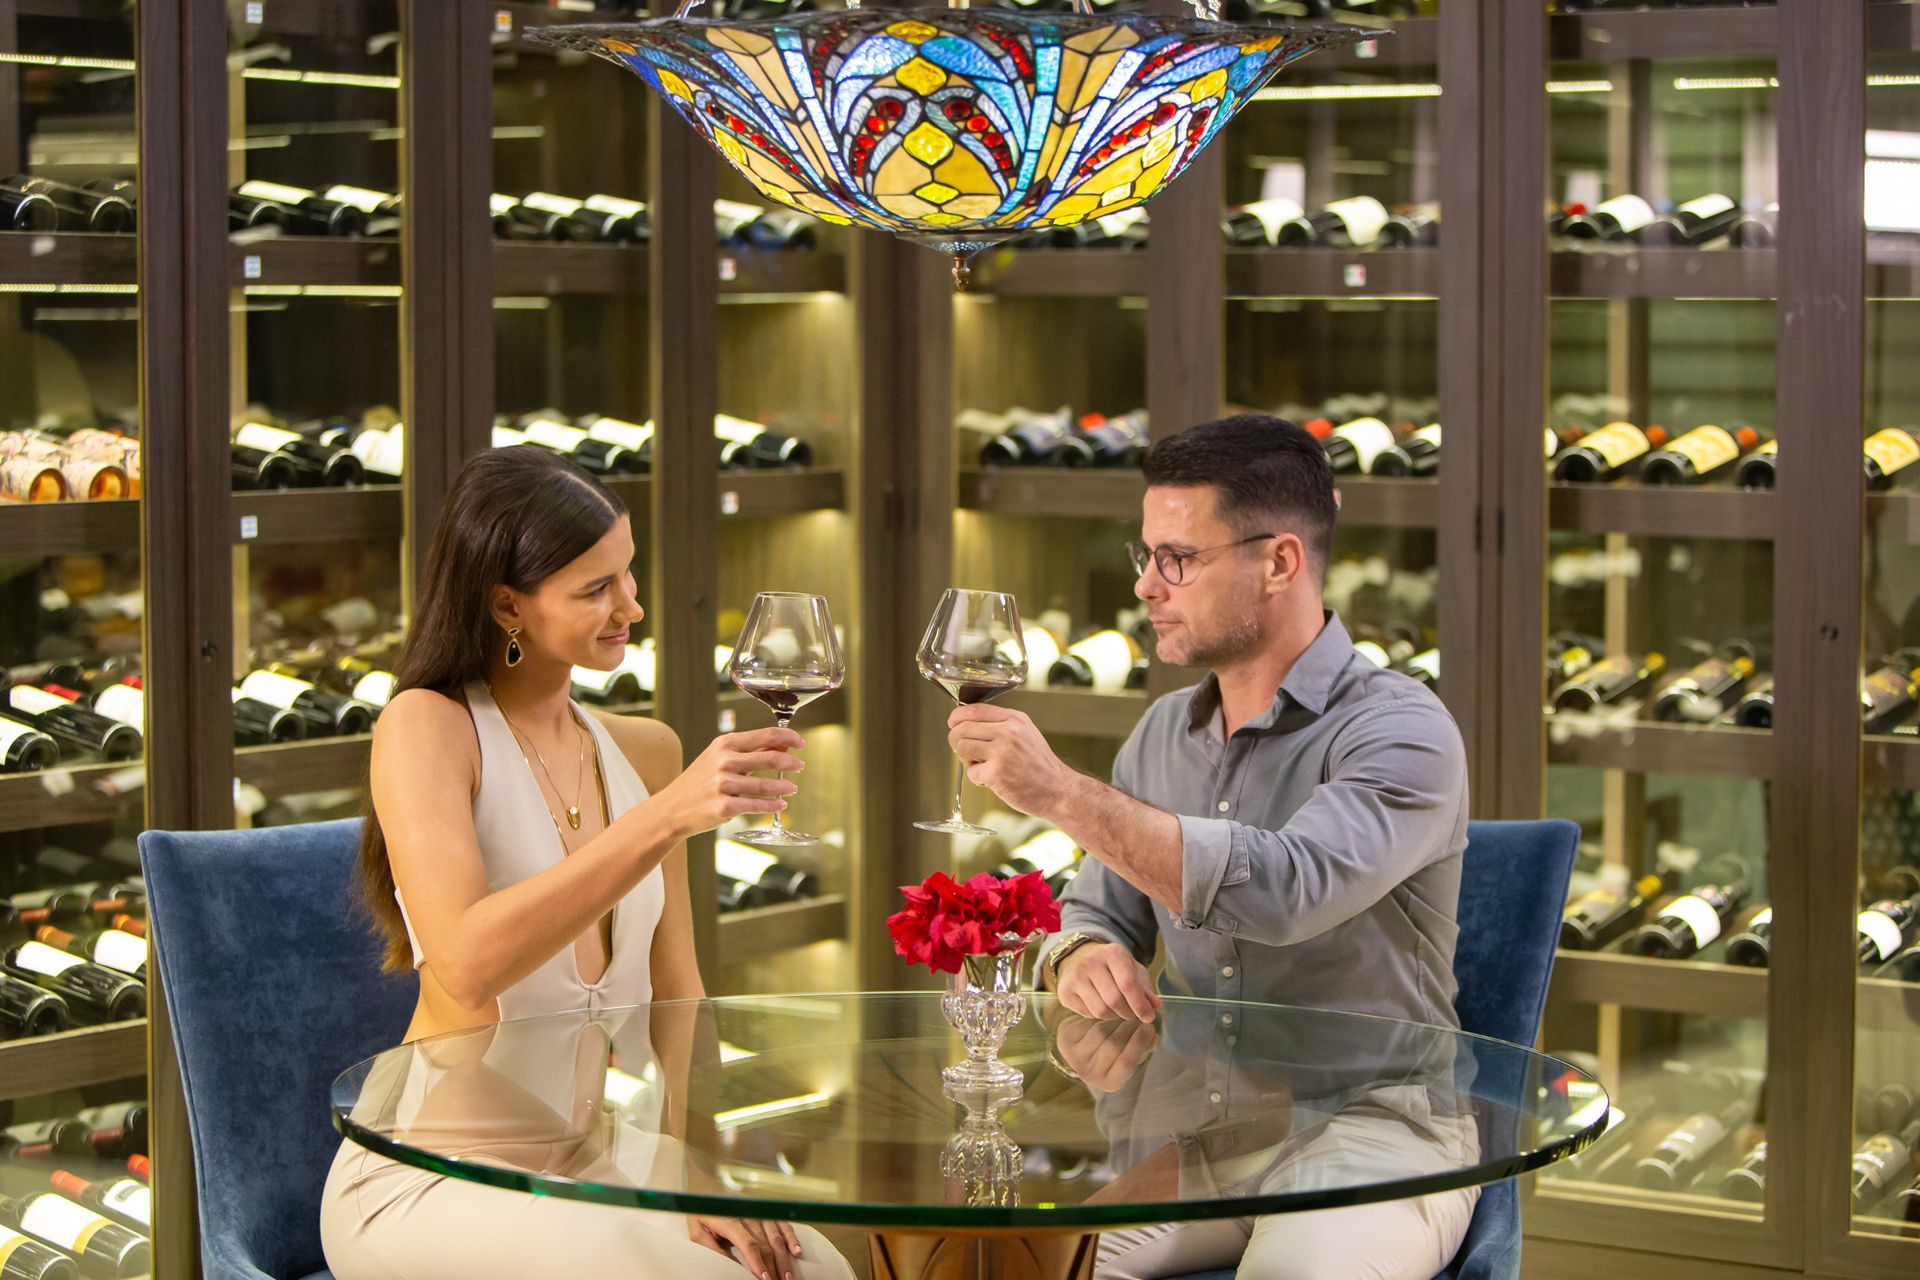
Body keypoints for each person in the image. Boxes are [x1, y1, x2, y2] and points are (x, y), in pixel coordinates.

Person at [946, 415, 1476, 1280]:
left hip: (1373, 1131)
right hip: (1199, 1137)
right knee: (1014, 1268)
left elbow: (1284, 892)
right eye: (1146, 556)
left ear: (1280, 562)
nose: (1149, 587)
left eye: (1178, 559)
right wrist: (1077, 953)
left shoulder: (1403, 729)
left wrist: (1057, 791)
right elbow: (1093, 909)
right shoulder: (1161, 732)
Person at [320, 446, 853, 1280]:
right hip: (432, 1173)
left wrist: (694, 1164)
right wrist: (668, 816)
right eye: (596, 588)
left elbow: (679, 998)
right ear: (507, 606)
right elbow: (464, 964)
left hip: (585, 1158)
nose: (631, 606)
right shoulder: (427, 728)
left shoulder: (644, 748)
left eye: (628, 575)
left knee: (811, 1264)